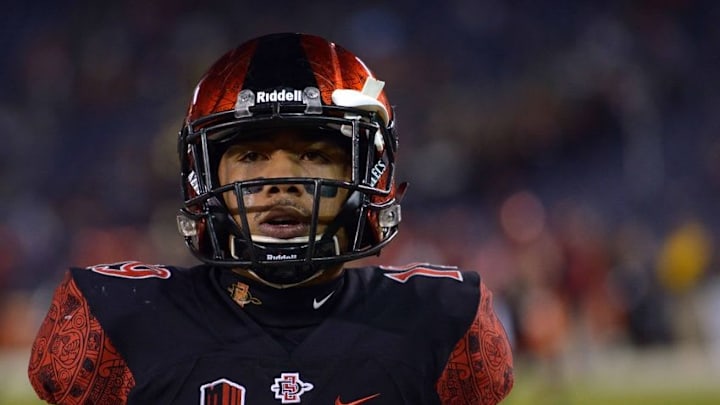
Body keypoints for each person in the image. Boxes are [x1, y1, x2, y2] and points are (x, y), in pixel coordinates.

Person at [27, 32, 514, 404]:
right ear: (204, 174)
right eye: (253, 154)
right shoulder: (112, 320)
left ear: (371, 169)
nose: (281, 179)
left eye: (315, 154)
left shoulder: (445, 321)